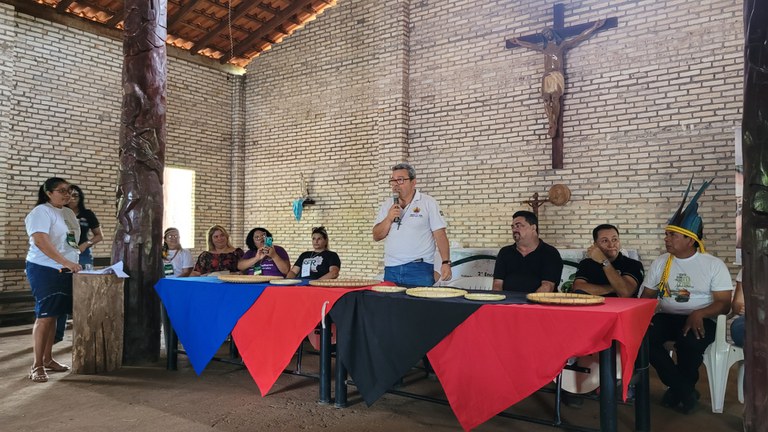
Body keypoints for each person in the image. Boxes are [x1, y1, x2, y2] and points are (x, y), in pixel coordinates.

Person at [640, 179, 732, 414]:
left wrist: (700, 313)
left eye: (672, 235)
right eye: (666, 234)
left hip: (702, 319)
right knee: (641, 338)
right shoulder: (661, 262)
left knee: (689, 343)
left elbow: (724, 304)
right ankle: (683, 390)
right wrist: (643, 317)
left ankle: (678, 390)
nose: (666, 239)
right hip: (668, 317)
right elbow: (647, 296)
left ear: (690, 240)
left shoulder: (713, 265)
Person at [25, 177, 82, 383]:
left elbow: (69, 241)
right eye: (62, 191)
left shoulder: (67, 213)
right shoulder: (41, 212)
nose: (68, 194)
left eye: (69, 190)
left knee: (55, 316)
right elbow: (40, 241)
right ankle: (37, 365)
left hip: (66, 268)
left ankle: (48, 359)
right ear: (48, 193)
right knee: (45, 316)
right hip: (45, 268)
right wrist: (65, 261)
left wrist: (72, 261)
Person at [509, 19, 605, 137]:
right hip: (547, 75)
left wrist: (594, 27)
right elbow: (531, 45)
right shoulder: (544, 48)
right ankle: (551, 122)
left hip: (557, 74)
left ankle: (555, 121)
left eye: (548, 32)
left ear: (552, 33)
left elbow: (578, 38)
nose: (547, 35)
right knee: (545, 99)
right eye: (545, 34)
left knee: (555, 98)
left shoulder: (561, 45)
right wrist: (518, 42)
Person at [373, 162, 451, 286]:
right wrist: (388, 218)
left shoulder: (428, 203)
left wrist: (445, 262)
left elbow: (440, 234)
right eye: (393, 180)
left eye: (400, 180)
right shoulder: (387, 205)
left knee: (418, 299)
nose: (395, 184)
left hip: (419, 268)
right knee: (390, 299)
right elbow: (376, 236)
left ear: (413, 182)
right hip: (391, 268)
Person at [54, 184, 103, 343]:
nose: (72, 198)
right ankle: (57, 334)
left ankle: (84, 332)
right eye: (70, 195)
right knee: (62, 292)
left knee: (83, 292)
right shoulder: (59, 213)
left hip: (83, 255)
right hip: (63, 255)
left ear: (80, 198)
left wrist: (85, 244)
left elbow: (99, 235)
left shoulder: (87, 214)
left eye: (76, 195)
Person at [492, 210, 563, 293]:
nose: (514, 229)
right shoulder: (505, 252)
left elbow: (547, 286)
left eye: (518, 226)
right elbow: (497, 284)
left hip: (537, 300)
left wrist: (530, 301)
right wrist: (498, 299)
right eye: (513, 227)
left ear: (533, 228)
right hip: (508, 300)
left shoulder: (550, 253)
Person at [572, 224, 644, 297]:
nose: (611, 245)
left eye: (614, 239)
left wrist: (604, 261)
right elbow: (578, 288)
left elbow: (625, 293)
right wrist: (614, 288)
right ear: (595, 245)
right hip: (593, 304)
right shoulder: (586, 264)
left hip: (621, 305)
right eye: (605, 241)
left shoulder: (633, 264)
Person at [730, 269, 745, 348]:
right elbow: (737, 306)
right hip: (754, 316)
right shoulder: (747, 269)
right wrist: (741, 306)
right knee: (738, 329)